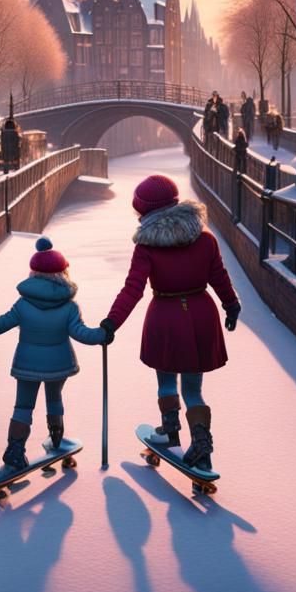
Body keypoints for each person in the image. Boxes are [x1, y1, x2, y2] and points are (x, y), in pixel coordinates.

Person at [100, 175, 240, 470]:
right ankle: (201, 443)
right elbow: (219, 277)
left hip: (165, 317)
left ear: (145, 209)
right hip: (202, 315)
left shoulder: (147, 247)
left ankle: (169, 430)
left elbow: (133, 289)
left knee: (166, 380)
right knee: (193, 388)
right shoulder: (205, 239)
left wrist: (112, 322)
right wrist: (231, 305)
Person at [0, 237, 108, 468]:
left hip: (27, 365)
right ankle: (56, 439)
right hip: (58, 365)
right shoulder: (69, 307)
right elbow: (80, 333)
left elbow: (0, 325)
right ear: (62, 274)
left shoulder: (23, 304)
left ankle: (15, 450)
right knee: (54, 398)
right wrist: (101, 334)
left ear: (33, 273)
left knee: (23, 406)